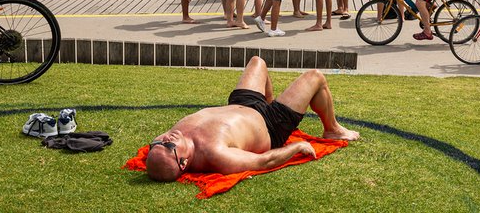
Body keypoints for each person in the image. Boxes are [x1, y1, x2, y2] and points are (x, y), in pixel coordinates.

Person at [145, 56, 359, 182]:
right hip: (270, 124)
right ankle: (332, 128)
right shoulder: (215, 154)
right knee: (315, 77)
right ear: (183, 163)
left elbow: (160, 149)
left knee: (258, 61)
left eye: (159, 141)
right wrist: (296, 147)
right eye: (168, 145)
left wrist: (161, 145)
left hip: (241, 103)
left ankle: (272, 101)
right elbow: (262, 162)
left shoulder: (166, 143)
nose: (166, 138)